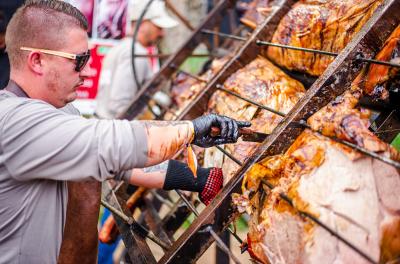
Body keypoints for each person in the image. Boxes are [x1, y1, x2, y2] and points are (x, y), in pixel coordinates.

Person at [0, 1, 250, 263]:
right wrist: (189, 130)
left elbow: (123, 165)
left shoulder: (61, 114)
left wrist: (195, 178)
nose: (86, 71)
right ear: (37, 60)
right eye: (79, 60)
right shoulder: (16, 123)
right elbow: (112, 144)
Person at [95, 0, 178, 119]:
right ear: (143, 24)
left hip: (103, 122)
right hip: (114, 129)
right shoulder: (136, 53)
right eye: (158, 27)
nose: (162, 33)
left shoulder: (121, 47)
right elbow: (120, 105)